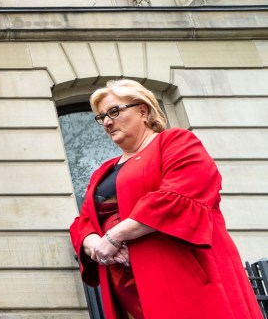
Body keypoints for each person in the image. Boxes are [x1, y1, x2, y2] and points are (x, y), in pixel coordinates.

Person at [70, 79, 260, 319]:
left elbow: (178, 196)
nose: (107, 121)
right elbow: (83, 222)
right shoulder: (102, 171)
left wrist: (115, 236)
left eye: (114, 111)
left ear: (143, 110)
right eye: (101, 117)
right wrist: (97, 244)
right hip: (127, 288)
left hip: (180, 276)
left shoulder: (175, 142)